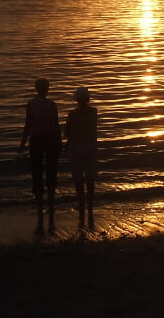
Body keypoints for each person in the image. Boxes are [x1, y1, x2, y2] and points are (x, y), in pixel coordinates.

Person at [18, 78, 61, 231]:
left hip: (36, 140)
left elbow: (28, 124)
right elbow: (56, 125)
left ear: (36, 89)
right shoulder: (52, 105)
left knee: (37, 172)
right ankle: (50, 204)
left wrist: (22, 144)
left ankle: (39, 206)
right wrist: (60, 142)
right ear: (47, 89)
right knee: (51, 171)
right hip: (49, 139)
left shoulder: (31, 104)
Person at [64, 86, 97, 225]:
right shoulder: (94, 112)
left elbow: (67, 132)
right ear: (88, 98)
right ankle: (90, 202)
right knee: (90, 176)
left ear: (76, 99)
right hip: (90, 145)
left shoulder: (72, 114)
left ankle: (81, 202)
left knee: (78, 176)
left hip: (76, 146)